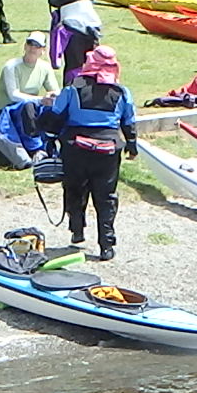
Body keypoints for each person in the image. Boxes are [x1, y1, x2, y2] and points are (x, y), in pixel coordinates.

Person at [47, 46, 140, 261]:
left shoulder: (73, 88)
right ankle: (106, 245)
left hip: (76, 148)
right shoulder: (122, 92)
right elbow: (129, 122)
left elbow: (56, 115)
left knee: (74, 188)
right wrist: (132, 146)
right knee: (106, 197)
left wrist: (50, 139)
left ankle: (77, 229)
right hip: (108, 150)